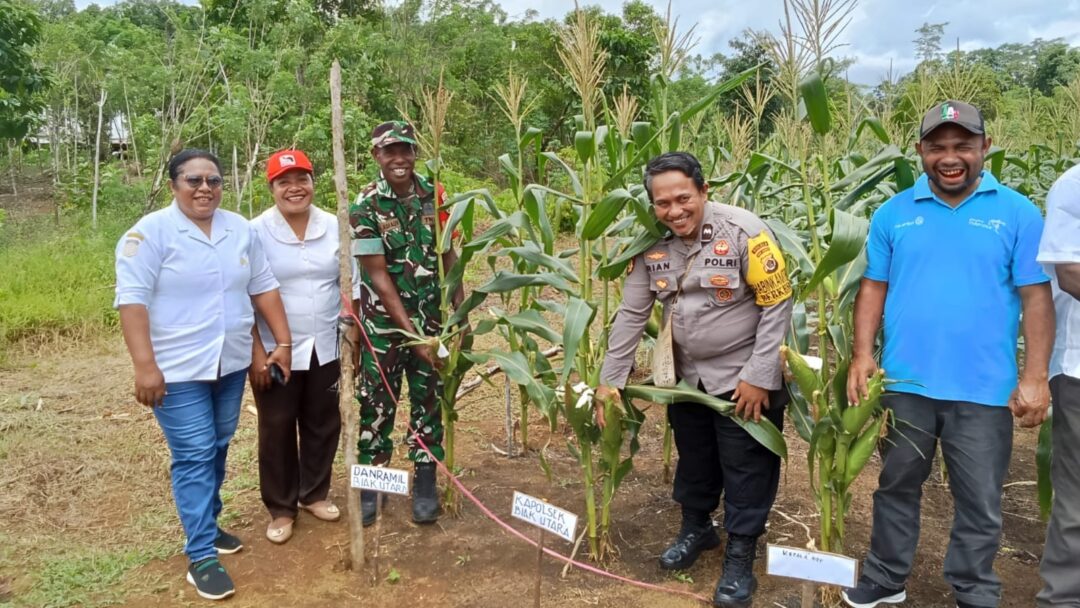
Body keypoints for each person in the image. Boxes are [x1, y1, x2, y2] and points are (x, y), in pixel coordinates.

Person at [842, 101, 1054, 608]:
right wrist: (861, 355)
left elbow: (1036, 297)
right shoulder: (894, 212)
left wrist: (1036, 376)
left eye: (962, 145)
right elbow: (873, 287)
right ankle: (886, 578)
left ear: (985, 147)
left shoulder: (1018, 212)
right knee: (895, 485)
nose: (950, 157)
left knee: (980, 499)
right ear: (920, 152)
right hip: (904, 384)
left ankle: (974, 586)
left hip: (983, 388)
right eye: (938, 147)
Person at [596, 151, 793, 608]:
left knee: (747, 466)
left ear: (704, 191)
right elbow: (631, 314)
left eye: (683, 198)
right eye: (662, 204)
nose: (675, 211)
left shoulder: (746, 231)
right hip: (686, 378)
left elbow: (776, 303)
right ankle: (697, 528)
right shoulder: (649, 243)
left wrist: (760, 375)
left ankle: (741, 553)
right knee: (696, 456)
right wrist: (611, 380)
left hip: (741, 376)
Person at [115, 149, 292, 601]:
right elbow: (132, 302)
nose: (204, 189)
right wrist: (145, 366)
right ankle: (200, 556)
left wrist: (279, 345)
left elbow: (263, 287)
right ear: (174, 184)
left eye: (213, 181)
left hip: (230, 363)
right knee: (194, 454)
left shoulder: (239, 229)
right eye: (193, 180)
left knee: (217, 444)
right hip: (176, 370)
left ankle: (208, 525)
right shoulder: (150, 234)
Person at [348, 120, 465, 526]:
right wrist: (412, 336)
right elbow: (377, 277)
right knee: (377, 402)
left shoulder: (435, 195)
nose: (399, 158)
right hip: (383, 326)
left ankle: (425, 480)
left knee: (428, 398)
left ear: (415, 153)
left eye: (405, 150)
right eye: (389, 151)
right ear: (377, 156)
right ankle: (372, 483)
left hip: (432, 319)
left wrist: (460, 312)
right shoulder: (365, 205)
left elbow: (449, 253)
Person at [249, 149, 359, 545]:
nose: (295, 188)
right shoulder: (255, 231)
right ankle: (281, 507)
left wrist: (353, 336)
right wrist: (256, 352)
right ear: (272, 188)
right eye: (284, 182)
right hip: (276, 348)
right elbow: (243, 293)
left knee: (323, 421)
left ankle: (314, 492)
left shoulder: (335, 225)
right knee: (276, 425)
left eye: (302, 179)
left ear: (314, 182)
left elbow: (351, 281)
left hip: (327, 342)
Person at [1035, 163, 1080, 608]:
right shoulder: (1074, 184)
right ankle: (1064, 599)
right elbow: (1070, 273)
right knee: (1076, 500)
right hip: (1079, 369)